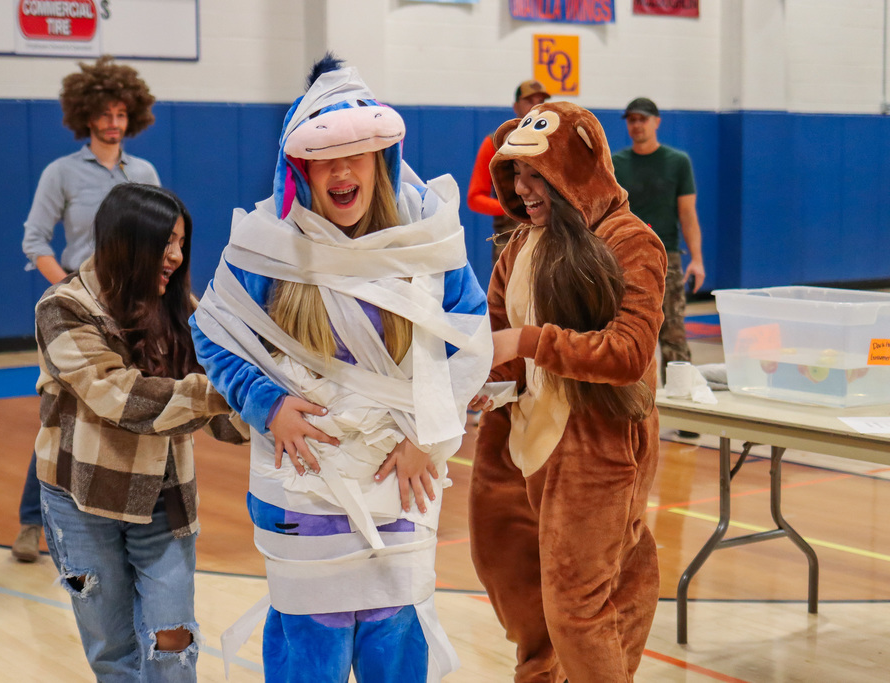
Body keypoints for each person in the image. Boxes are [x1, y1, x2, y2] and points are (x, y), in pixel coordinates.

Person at [192, 54, 491, 682]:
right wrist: (265, 404)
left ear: (383, 156)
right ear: (299, 167)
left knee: (396, 647)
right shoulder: (263, 246)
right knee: (309, 656)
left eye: (359, 152)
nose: (343, 170)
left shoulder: (427, 239)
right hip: (301, 489)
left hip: (402, 483)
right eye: (325, 156)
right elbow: (210, 334)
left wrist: (429, 439)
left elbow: (471, 340)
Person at [468, 102, 667, 682]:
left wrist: (528, 342)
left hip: (597, 445)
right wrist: (479, 384)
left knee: (577, 607)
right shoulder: (519, 247)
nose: (524, 189)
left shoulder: (632, 241)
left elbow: (629, 354)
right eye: (517, 175)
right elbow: (503, 352)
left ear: (573, 170)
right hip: (520, 440)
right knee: (514, 584)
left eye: (537, 175)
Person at [34, 183, 230, 680]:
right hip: (81, 501)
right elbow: (122, 398)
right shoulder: (62, 307)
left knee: (173, 636)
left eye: (181, 242)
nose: (176, 255)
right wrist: (227, 392)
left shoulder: (181, 305)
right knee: (114, 650)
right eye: (165, 242)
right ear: (127, 241)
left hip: (163, 499)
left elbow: (226, 405)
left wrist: (268, 405)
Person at [12, 55, 159, 562]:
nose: (114, 122)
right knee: (64, 414)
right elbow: (35, 241)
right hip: (79, 308)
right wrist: (73, 289)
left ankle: (116, 517)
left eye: (122, 113)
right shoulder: (61, 173)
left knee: (122, 408)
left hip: (133, 308)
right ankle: (33, 523)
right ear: (86, 116)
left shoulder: (144, 172)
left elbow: (155, 239)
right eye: (105, 113)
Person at [611, 97, 705, 381]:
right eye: (631, 120)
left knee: (674, 336)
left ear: (657, 122)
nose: (637, 125)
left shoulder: (677, 162)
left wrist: (697, 260)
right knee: (626, 336)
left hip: (667, 260)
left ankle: (685, 415)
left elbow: (688, 214)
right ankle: (630, 415)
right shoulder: (616, 163)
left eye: (642, 119)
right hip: (623, 259)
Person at [467, 79, 550, 265]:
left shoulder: (553, 141)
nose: (536, 106)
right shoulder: (495, 142)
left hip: (550, 233)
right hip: (510, 238)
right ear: (516, 106)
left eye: (541, 101)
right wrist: (513, 207)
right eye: (530, 101)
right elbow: (475, 198)